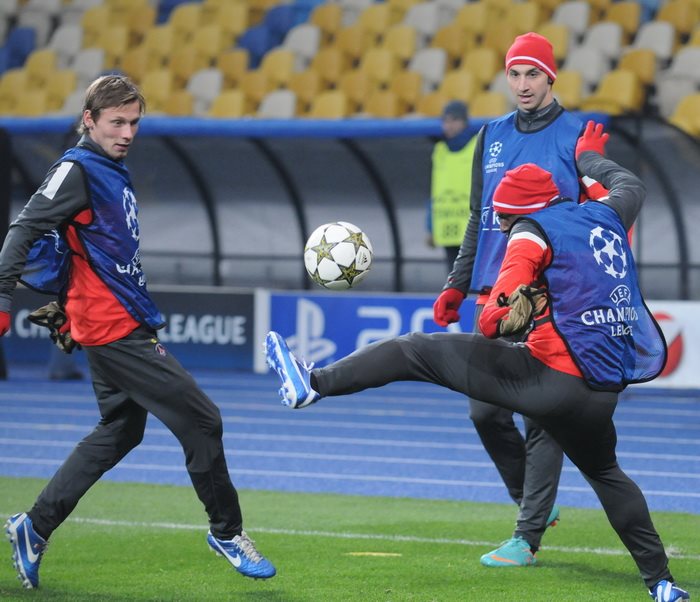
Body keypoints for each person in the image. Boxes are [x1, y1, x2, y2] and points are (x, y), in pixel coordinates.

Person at [264, 122, 690, 601]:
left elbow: (491, 321)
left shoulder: (528, 233)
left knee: (413, 349)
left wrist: (505, 311)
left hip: (548, 379)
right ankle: (661, 583)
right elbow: (631, 185)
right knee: (608, 476)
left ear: (519, 213)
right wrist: (588, 158)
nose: (500, 227)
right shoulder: (604, 213)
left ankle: (314, 383)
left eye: (502, 218)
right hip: (600, 394)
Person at [0, 75, 275, 589]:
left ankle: (34, 527)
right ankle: (227, 532)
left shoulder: (110, 169)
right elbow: (24, 228)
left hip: (113, 320)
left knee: (121, 430)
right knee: (203, 420)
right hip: (113, 330)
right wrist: (2, 298)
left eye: (134, 123)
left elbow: (87, 248)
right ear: (89, 120)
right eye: (116, 122)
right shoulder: (77, 169)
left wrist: (69, 300)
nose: (127, 133)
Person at [433, 32, 591, 567]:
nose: (523, 84)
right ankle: (532, 500)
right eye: (515, 74)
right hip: (494, 292)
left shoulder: (577, 135)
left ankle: (527, 537)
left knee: (542, 417)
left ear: (550, 77)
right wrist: (457, 283)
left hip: (550, 294)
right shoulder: (491, 135)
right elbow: (478, 217)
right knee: (484, 410)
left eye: (532, 74)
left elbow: (593, 219)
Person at [426, 100, 476, 272]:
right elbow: (434, 190)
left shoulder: (477, 146)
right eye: (445, 121)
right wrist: (430, 226)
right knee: (453, 278)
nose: (449, 125)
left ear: (464, 121)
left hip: (472, 229)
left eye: (454, 120)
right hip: (447, 226)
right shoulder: (439, 150)